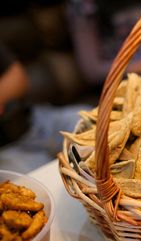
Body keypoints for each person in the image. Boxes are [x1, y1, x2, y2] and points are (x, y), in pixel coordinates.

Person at [0, 43, 91, 173]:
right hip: (8, 149)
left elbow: (17, 76)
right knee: (40, 185)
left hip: (37, 120)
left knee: (98, 122)